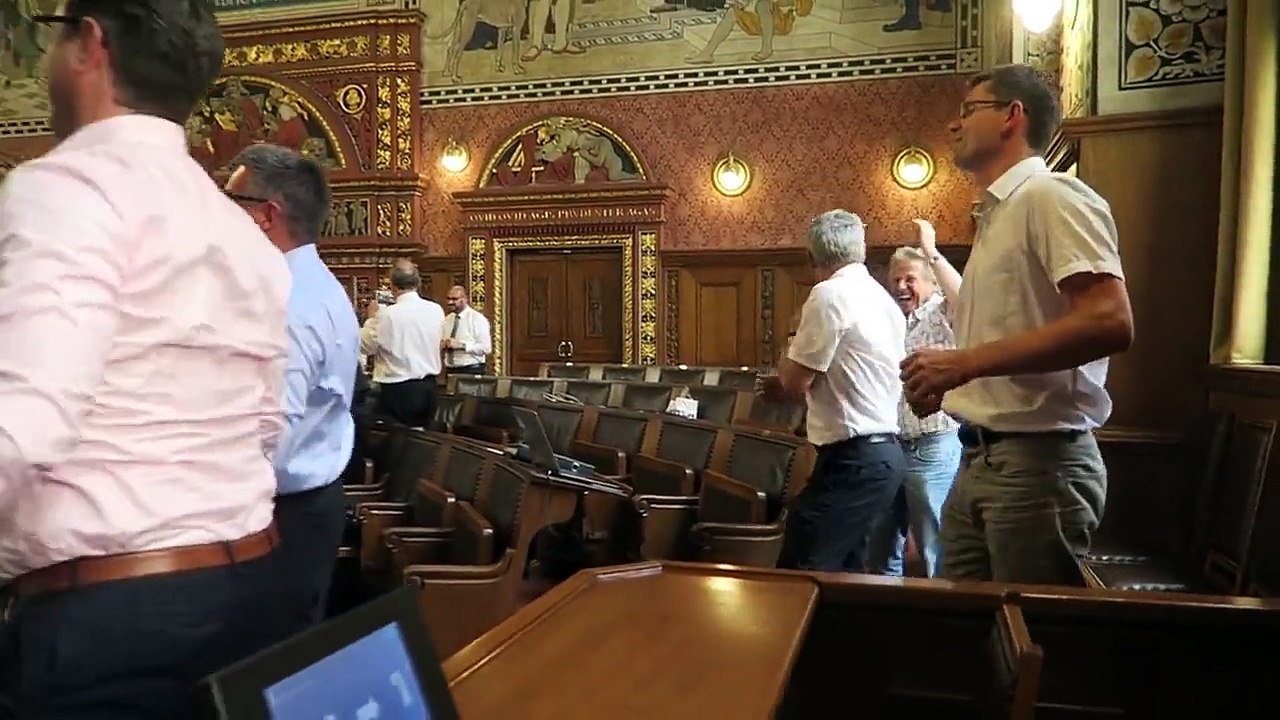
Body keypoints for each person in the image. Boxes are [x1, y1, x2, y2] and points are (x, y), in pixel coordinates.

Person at [0, 2, 292, 717]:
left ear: (89, 43)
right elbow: (264, 425)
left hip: (108, 622)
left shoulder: (65, 187)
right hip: (250, 589)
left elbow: (22, 424)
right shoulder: (240, 228)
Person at [901, 64, 1134, 586]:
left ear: (1012, 116)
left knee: (1031, 646)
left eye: (968, 110)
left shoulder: (1051, 196)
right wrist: (951, 382)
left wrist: (963, 364)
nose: (953, 126)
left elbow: (1109, 322)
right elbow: (1011, 333)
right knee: (966, 638)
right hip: (981, 457)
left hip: (1038, 467)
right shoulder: (999, 213)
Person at [225, 143, 360, 635]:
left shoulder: (292, 302)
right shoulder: (312, 284)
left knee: (266, 662)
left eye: (229, 202)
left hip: (283, 515)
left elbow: (271, 437)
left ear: (266, 215)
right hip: (303, 504)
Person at [760, 210, 907, 572]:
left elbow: (794, 383)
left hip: (854, 461)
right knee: (849, 574)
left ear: (811, 258)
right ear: (860, 249)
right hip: (882, 456)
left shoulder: (828, 294)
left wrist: (791, 340)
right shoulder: (882, 297)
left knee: (801, 570)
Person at [866, 222, 962, 578]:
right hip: (890, 446)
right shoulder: (890, 320)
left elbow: (966, 300)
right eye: (895, 280)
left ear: (931, 283)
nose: (900, 286)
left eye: (909, 279)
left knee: (934, 546)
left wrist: (932, 252)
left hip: (933, 447)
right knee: (879, 544)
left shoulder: (943, 312)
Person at [361, 259, 445, 427]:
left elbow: (365, 346)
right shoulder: (436, 310)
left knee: (396, 445)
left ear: (392, 285)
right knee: (422, 442)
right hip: (428, 389)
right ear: (418, 282)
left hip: (397, 390)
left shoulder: (386, 315)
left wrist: (370, 319)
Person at [442, 285, 492, 375]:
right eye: (448, 299)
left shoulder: (477, 319)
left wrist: (462, 346)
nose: (450, 302)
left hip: (471, 369)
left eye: (454, 299)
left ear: (464, 299)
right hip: (451, 370)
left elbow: (486, 348)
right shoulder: (447, 319)